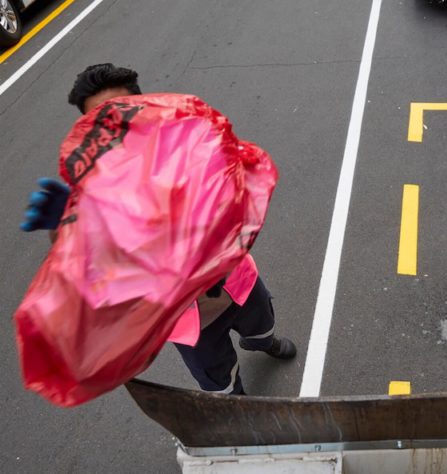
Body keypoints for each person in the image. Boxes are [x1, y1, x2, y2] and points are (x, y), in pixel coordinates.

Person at [20, 63, 296, 395]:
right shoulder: (90, 189)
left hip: (238, 283)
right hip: (188, 322)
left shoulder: (188, 145)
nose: (113, 128)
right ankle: (242, 406)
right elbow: (83, 263)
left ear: (142, 107)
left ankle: (265, 343)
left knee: (262, 326)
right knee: (222, 385)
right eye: (99, 120)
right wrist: (65, 224)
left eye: (119, 112)